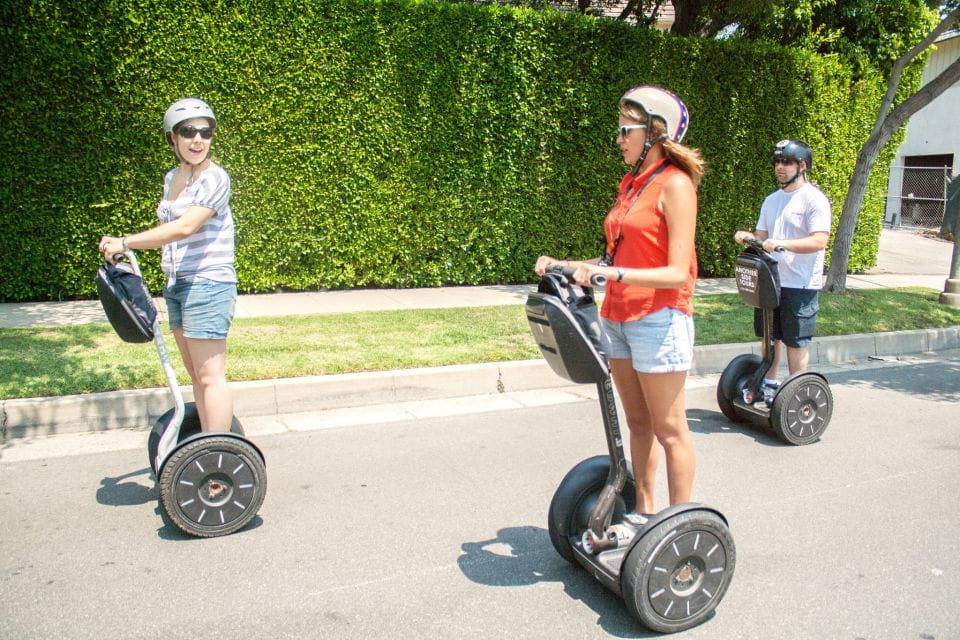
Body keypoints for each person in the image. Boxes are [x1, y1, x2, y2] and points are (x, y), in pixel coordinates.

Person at [535, 86, 704, 521]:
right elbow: (613, 260)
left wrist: (612, 275)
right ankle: (643, 514)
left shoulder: (676, 185)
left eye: (625, 130)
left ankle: (679, 528)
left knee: (670, 430)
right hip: (618, 317)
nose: (619, 139)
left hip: (659, 318)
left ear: (654, 132)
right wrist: (567, 263)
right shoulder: (631, 185)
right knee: (638, 424)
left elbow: (676, 270)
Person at [99, 97, 237, 433]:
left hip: (208, 284)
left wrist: (126, 242)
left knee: (210, 376)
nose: (198, 139)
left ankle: (218, 458)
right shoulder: (172, 177)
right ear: (172, 138)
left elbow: (185, 227)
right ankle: (206, 445)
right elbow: (169, 231)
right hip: (176, 284)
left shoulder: (216, 178)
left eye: (205, 132)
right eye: (188, 131)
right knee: (196, 375)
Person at [734, 139, 831, 398]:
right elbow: (762, 236)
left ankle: (795, 393)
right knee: (769, 337)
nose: (780, 167)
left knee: (795, 342)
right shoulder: (771, 200)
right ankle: (768, 385)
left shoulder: (814, 200)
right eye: (777, 162)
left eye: (786, 162)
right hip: (772, 280)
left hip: (800, 283)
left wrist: (782, 244)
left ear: (802, 165)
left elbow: (819, 240)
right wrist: (748, 237)